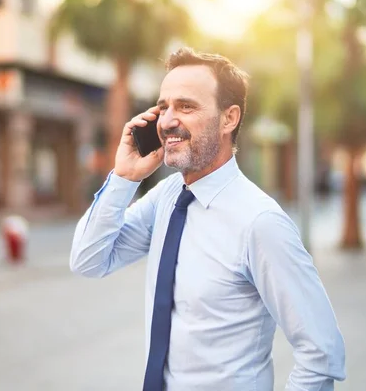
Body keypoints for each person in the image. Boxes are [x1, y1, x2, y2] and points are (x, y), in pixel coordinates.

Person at [70, 47, 346, 391]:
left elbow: (321, 351)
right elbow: (88, 260)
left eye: (186, 106)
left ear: (229, 118)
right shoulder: (167, 197)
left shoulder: (260, 223)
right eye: (162, 107)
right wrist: (124, 178)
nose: (168, 120)